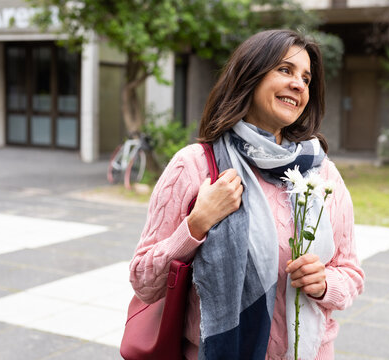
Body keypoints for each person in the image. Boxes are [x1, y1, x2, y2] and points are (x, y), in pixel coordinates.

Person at [129, 29, 365, 360]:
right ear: (250, 76)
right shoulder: (195, 166)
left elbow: (351, 272)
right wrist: (195, 225)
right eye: (285, 70)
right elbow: (144, 282)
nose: (299, 84)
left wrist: (325, 283)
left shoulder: (321, 173)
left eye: (306, 78)